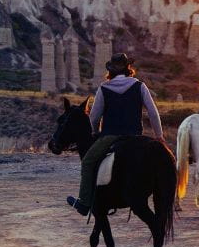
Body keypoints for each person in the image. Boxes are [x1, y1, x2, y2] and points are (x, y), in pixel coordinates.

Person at [66, 53, 164, 215]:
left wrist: (94, 132)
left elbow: (95, 117)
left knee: (88, 162)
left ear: (110, 71)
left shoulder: (104, 88)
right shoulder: (140, 86)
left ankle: (84, 203)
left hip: (110, 136)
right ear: (128, 69)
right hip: (135, 137)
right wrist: (159, 136)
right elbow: (153, 113)